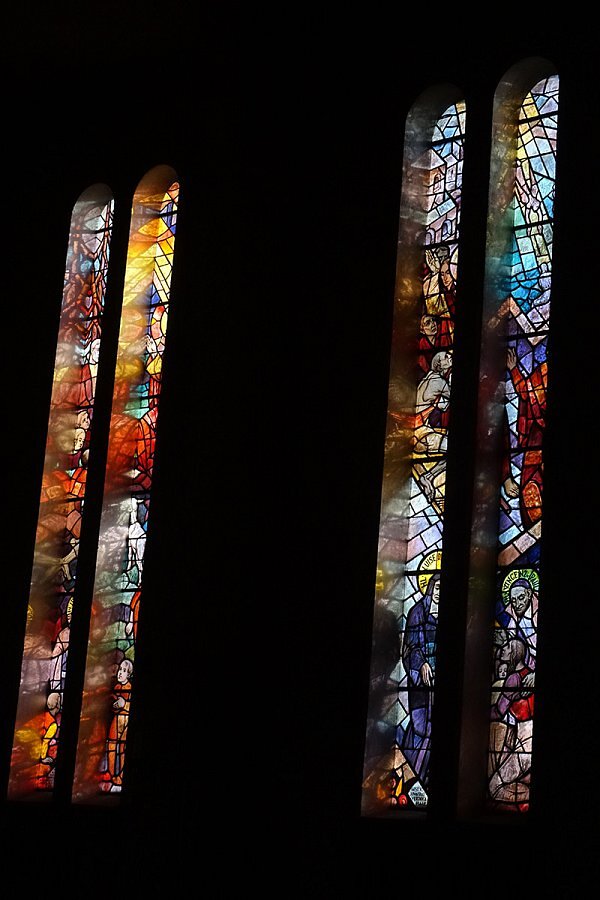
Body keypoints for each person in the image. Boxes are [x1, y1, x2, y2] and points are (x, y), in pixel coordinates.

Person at [401, 572, 440, 783]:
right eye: (438, 588)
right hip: (420, 685)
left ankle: (427, 777)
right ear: (430, 589)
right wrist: (421, 663)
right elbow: (409, 647)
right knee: (421, 728)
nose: (440, 593)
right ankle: (412, 773)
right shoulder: (417, 612)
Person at [502, 345, 547, 530]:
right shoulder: (542, 372)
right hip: (537, 441)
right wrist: (513, 369)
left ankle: (534, 525)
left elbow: (526, 391)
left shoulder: (542, 372)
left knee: (531, 481)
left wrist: (514, 369)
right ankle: (534, 526)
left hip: (537, 439)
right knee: (531, 484)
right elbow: (526, 391)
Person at [102, 658, 133, 789]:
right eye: (120, 669)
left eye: (124, 671)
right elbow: (113, 707)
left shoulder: (130, 688)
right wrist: (115, 704)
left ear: (129, 674)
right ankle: (111, 773)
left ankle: (120, 774)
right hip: (117, 719)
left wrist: (124, 704)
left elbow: (128, 706)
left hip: (125, 720)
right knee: (111, 744)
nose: (120, 673)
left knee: (122, 747)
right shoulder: (117, 687)